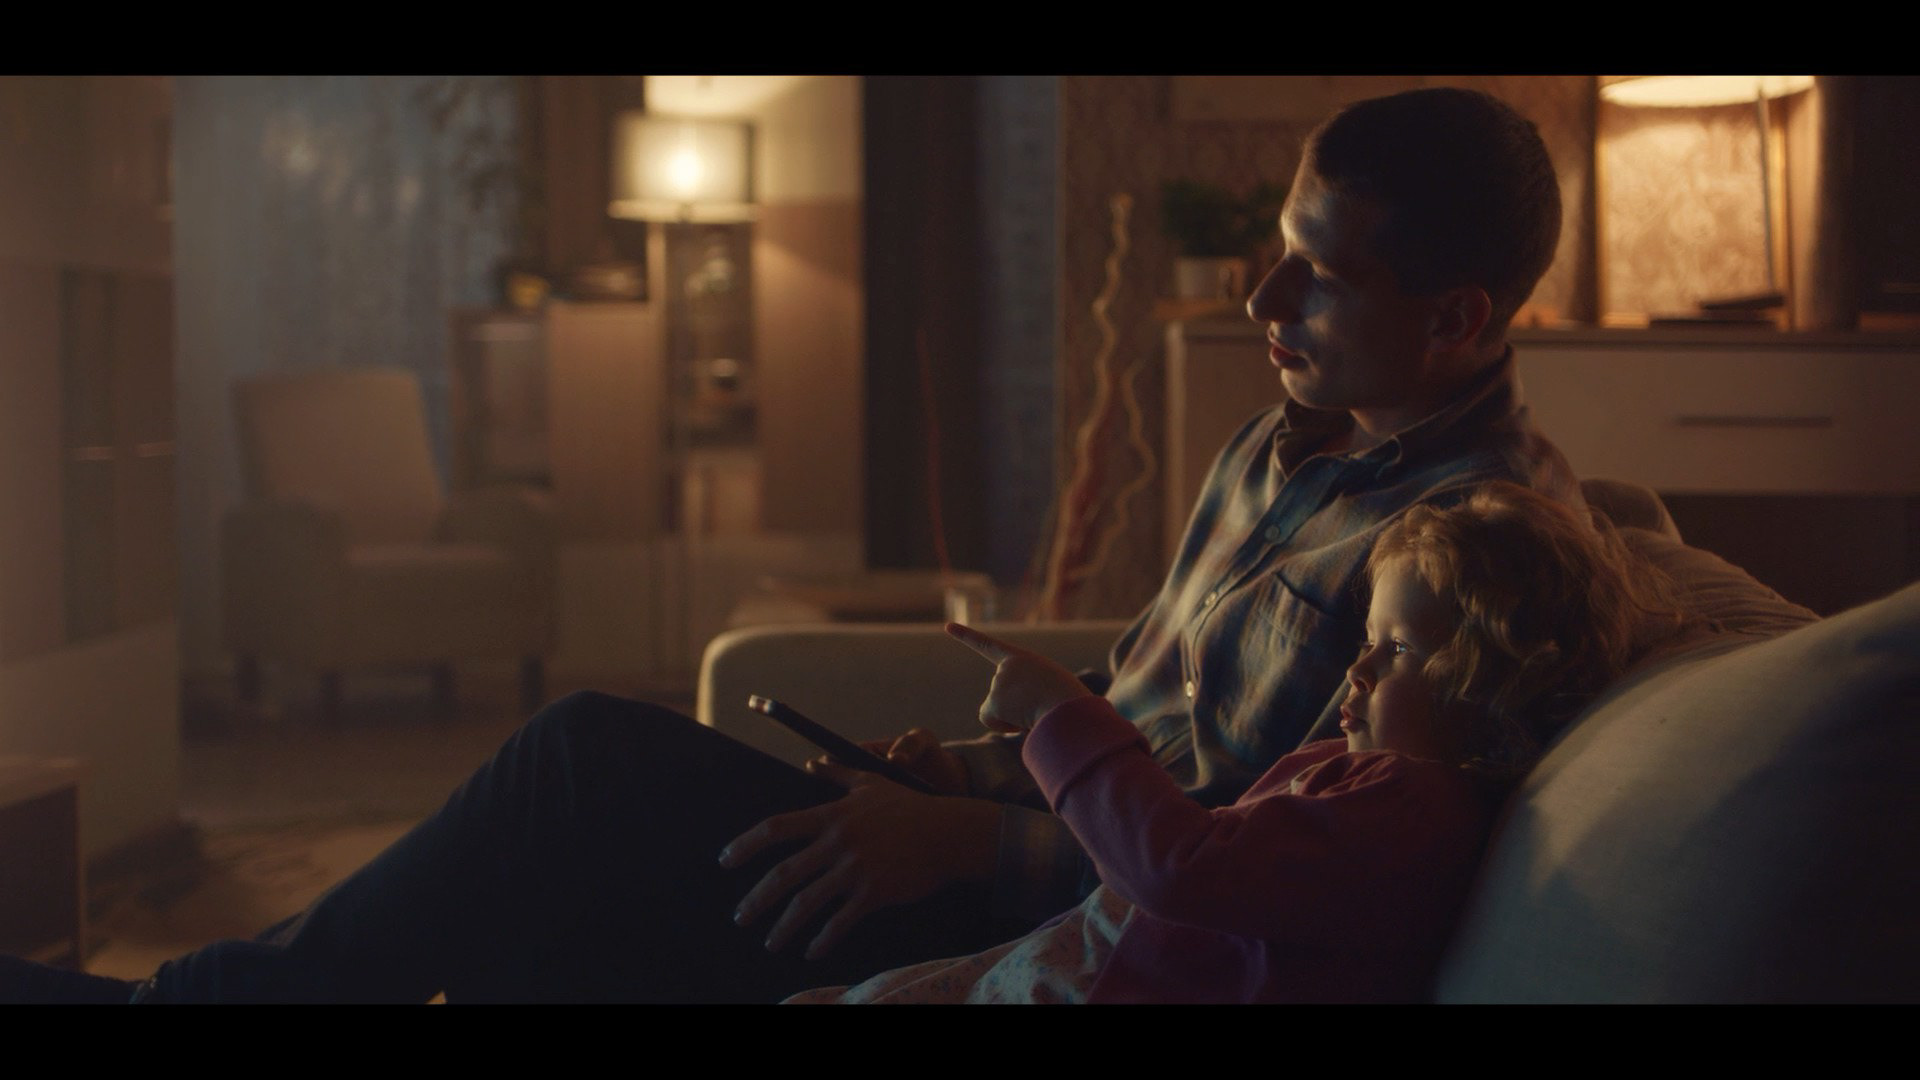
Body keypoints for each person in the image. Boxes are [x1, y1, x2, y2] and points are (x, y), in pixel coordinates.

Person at [1, 86, 1582, 1003]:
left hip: (1069, 932)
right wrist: (951, 773)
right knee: (572, 898)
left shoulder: (1471, 553)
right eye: (1276, 254)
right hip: (1002, 848)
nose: (1261, 301)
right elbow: (1137, 704)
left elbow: (1275, 855)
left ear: (1457, 317)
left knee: (584, 766)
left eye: (1318, 276)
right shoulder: (1284, 439)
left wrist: (960, 847)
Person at [788, 483, 1683, 1003]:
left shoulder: (1411, 808)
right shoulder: (1372, 781)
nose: (1359, 669)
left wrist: (1061, 716)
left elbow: (1182, 866)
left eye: (1400, 651)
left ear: (1497, 683)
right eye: (1367, 639)